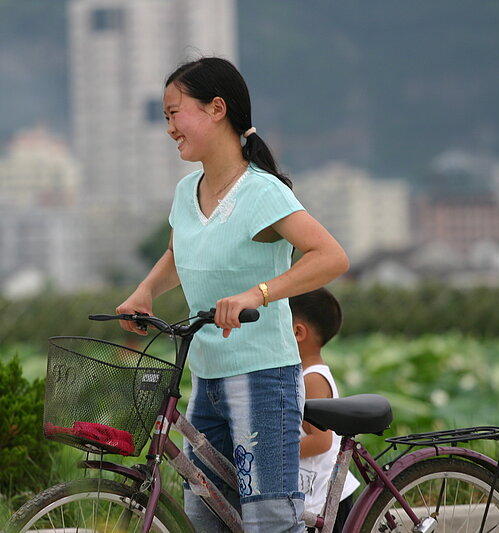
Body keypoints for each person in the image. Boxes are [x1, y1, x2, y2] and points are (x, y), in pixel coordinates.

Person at [116, 57, 349, 532]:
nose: (170, 128)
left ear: (216, 108)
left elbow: (330, 256)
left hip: (262, 378)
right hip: (207, 379)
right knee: (208, 521)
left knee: (269, 523)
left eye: (174, 112)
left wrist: (258, 294)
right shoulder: (187, 192)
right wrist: (145, 291)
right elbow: (179, 253)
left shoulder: (261, 193)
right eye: (165, 117)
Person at [290, 287, 360, 533]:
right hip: (316, 493)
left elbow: (321, 441)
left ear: (298, 332)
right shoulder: (305, 374)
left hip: (326, 499)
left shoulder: (312, 379)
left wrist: (276, 454)